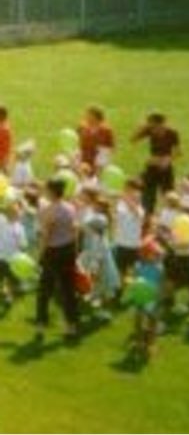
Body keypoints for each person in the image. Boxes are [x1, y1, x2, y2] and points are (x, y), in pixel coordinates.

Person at [34, 179, 80, 339]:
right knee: (68, 290)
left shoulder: (49, 211)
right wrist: (75, 251)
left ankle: (41, 324)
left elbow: (46, 236)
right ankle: (71, 326)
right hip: (68, 251)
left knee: (44, 289)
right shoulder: (71, 208)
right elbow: (75, 230)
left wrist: (40, 255)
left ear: (52, 192)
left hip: (53, 253)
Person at [131, 112, 180, 214]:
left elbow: (178, 152)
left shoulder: (172, 133)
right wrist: (141, 128)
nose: (153, 130)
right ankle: (147, 214)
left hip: (165, 166)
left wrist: (168, 159)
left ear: (161, 124)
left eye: (155, 127)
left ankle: (170, 213)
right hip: (152, 165)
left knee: (168, 192)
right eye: (151, 127)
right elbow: (133, 139)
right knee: (148, 193)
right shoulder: (149, 130)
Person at [77, 106, 115, 173]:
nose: (87, 117)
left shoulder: (105, 130)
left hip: (98, 158)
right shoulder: (83, 127)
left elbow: (107, 150)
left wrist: (96, 166)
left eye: (90, 115)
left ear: (96, 117)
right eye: (87, 115)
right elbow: (77, 142)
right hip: (84, 157)